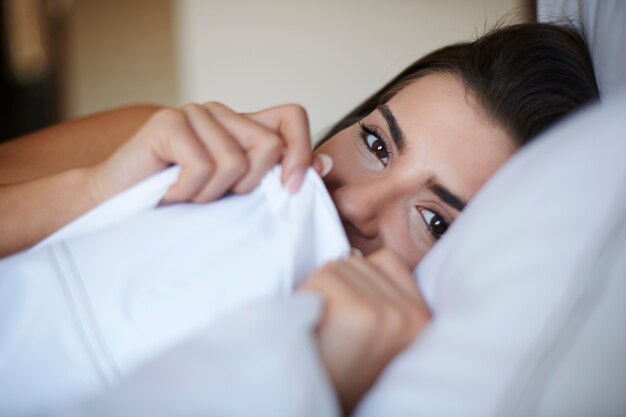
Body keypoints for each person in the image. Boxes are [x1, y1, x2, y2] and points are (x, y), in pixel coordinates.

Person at [0, 22, 598, 414]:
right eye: (376, 145)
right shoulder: (156, 145)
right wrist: (98, 190)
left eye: (435, 221)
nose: (353, 205)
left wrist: (313, 379)